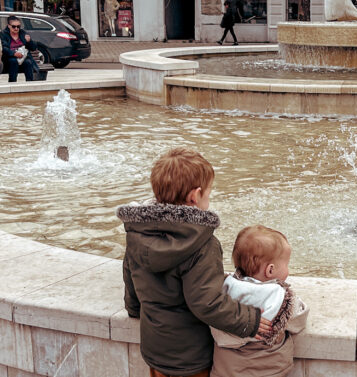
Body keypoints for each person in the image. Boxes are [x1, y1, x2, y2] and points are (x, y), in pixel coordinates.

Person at [117, 148, 273, 377]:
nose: (209, 197)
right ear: (195, 196)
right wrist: (248, 319)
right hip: (191, 355)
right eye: (209, 192)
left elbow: (130, 278)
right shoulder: (201, 244)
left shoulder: (138, 234)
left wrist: (134, 309)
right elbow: (206, 302)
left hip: (154, 350)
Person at [210, 225, 308, 377]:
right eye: (286, 264)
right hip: (267, 370)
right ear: (270, 270)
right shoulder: (281, 298)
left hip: (226, 370)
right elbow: (297, 322)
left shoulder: (225, 290)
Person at [0, 15, 39, 82]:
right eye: (14, 26)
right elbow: (3, 48)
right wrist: (14, 53)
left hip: (23, 58)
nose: (16, 28)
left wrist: (29, 41)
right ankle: (12, 83)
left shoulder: (22, 33)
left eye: (18, 26)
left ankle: (30, 84)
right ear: (9, 26)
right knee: (13, 61)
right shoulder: (3, 34)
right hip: (9, 58)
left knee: (28, 62)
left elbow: (33, 48)